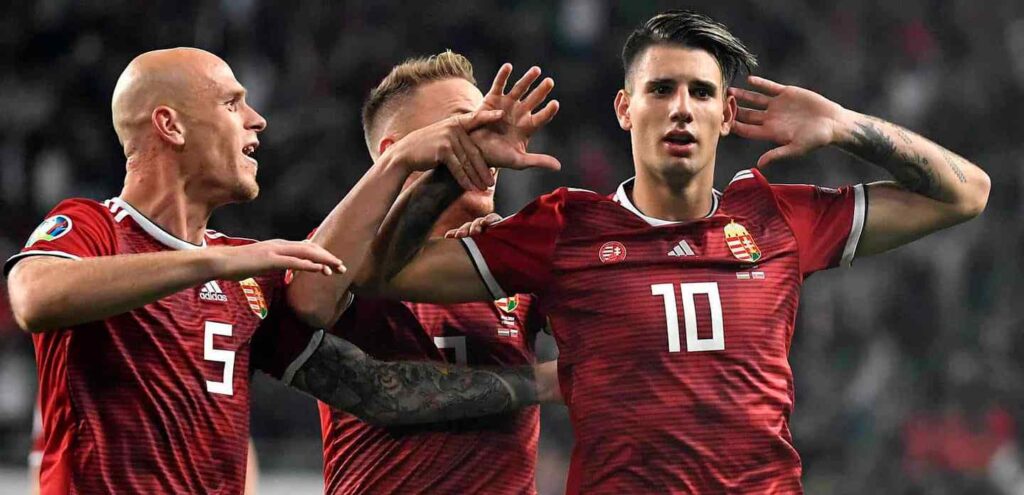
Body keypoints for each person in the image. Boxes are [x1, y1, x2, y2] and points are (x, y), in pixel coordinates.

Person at [325, 10, 991, 494]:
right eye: (661, 89)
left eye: (701, 92)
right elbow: (380, 272)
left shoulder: (777, 218)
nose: (681, 108)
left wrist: (847, 127)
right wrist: (455, 170)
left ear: (726, 114)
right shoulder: (564, 229)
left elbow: (966, 193)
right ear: (624, 108)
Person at [4, 47, 556, 494]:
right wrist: (212, 260)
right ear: (170, 125)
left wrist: (545, 381)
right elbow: (33, 298)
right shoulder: (95, 227)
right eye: (232, 103)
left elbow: (379, 392)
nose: (257, 118)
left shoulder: (251, 278)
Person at [319, 51, 559, 494]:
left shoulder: (509, 262)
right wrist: (548, 381)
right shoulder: (338, 254)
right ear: (396, 151)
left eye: (488, 128)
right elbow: (385, 393)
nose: (487, 144)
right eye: (466, 128)